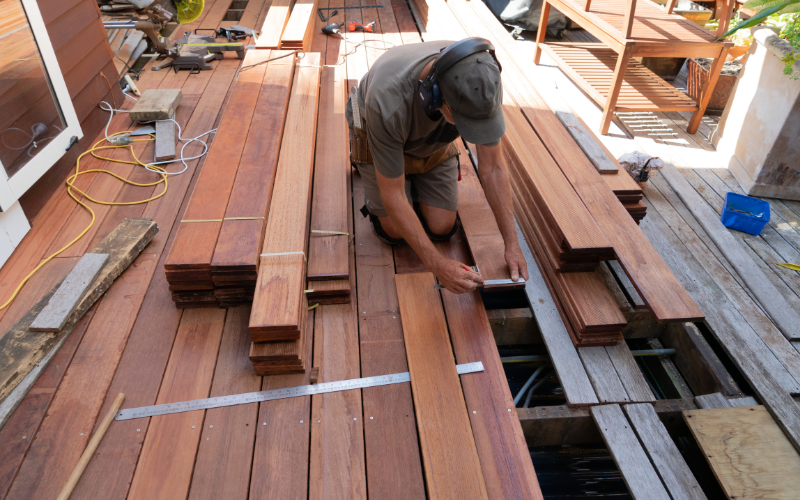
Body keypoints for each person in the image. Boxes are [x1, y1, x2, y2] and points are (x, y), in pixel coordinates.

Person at [346, 37, 529, 294]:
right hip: (378, 130)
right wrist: (438, 265)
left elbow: (494, 168)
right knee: (395, 233)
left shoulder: (481, 82)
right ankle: (373, 169)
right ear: (433, 97)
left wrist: (512, 244)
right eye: (465, 124)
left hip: (428, 141)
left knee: (442, 227)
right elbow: (394, 195)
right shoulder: (387, 102)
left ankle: (412, 177)